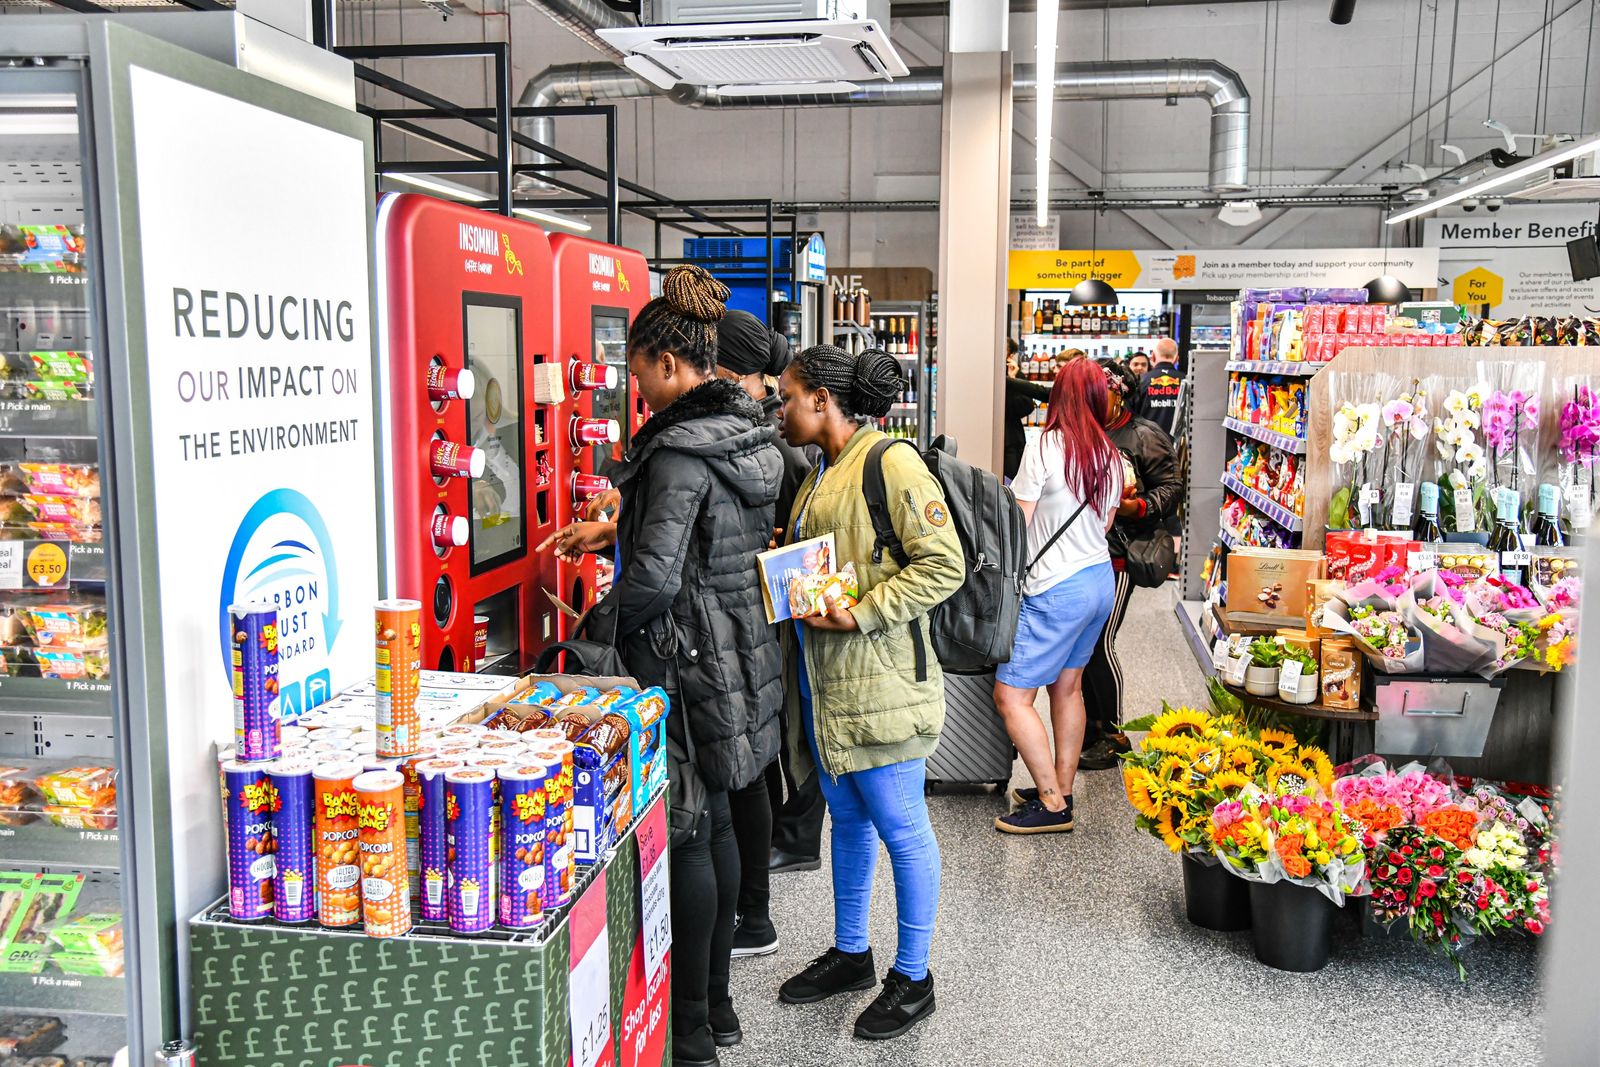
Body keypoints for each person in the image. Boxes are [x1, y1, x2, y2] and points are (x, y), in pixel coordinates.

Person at [541, 266, 782, 1067]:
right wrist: (616, 531)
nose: (636, 389)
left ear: (670, 364)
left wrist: (591, 638)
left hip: (683, 661)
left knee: (691, 833)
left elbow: (655, 578)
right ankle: (720, 1008)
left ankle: (692, 1035)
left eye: (639, 372)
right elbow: (709, 541)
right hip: (738, 646)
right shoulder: (746, 432)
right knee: (719, 819)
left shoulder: (677, 451)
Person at [772, 344, 963, 1042]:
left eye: (788, 397)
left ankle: (914, 977)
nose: (780, 410)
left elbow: (944, 564)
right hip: (828, 686)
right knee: (847, 820)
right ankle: (852, 953)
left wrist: (862, 612)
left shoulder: (891, 461)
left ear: (822, 399)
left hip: (880, 681)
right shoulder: (822, 470)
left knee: (903, 828)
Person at [711, 309, 822, 961]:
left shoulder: (767, 450)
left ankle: (791, 850)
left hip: (769, 620)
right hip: (768, 618)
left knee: (773, 747)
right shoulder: (771, 445)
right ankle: (784, 849)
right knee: (767, 750)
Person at [990, 359, 1123, 835]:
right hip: (1098, 581)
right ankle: (1062, 789)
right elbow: (1106, 523)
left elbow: (1018, 526)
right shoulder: (1110, 455)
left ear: (1059, 396)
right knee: (1068, 688)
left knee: (1011, 696)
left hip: (1055, 589)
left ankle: (1050, 802)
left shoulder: (1044, 446)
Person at [1078, 360, 1183, 771]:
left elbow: (1172, 488)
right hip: (1086, 552)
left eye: (1099, 392)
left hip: (1122, 552)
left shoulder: (1144, 435)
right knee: (1083, 645)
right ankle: (1090, 727)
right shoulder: (1087, 431)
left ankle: (1114, 734)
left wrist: (1136, 506)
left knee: (1100, 642)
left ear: (1118, 393)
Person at [1003, 339, 1052, 481]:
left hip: (1011, 440)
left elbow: (1026, 407)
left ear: (1010, 356)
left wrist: (1011, 380)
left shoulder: (1015, 374)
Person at [1137, 337, 1182, 437]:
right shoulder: (1186, 381)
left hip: (1147, 440)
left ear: (1153, 356)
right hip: (1177, 442)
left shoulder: (1141, 381)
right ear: (1176, 359)